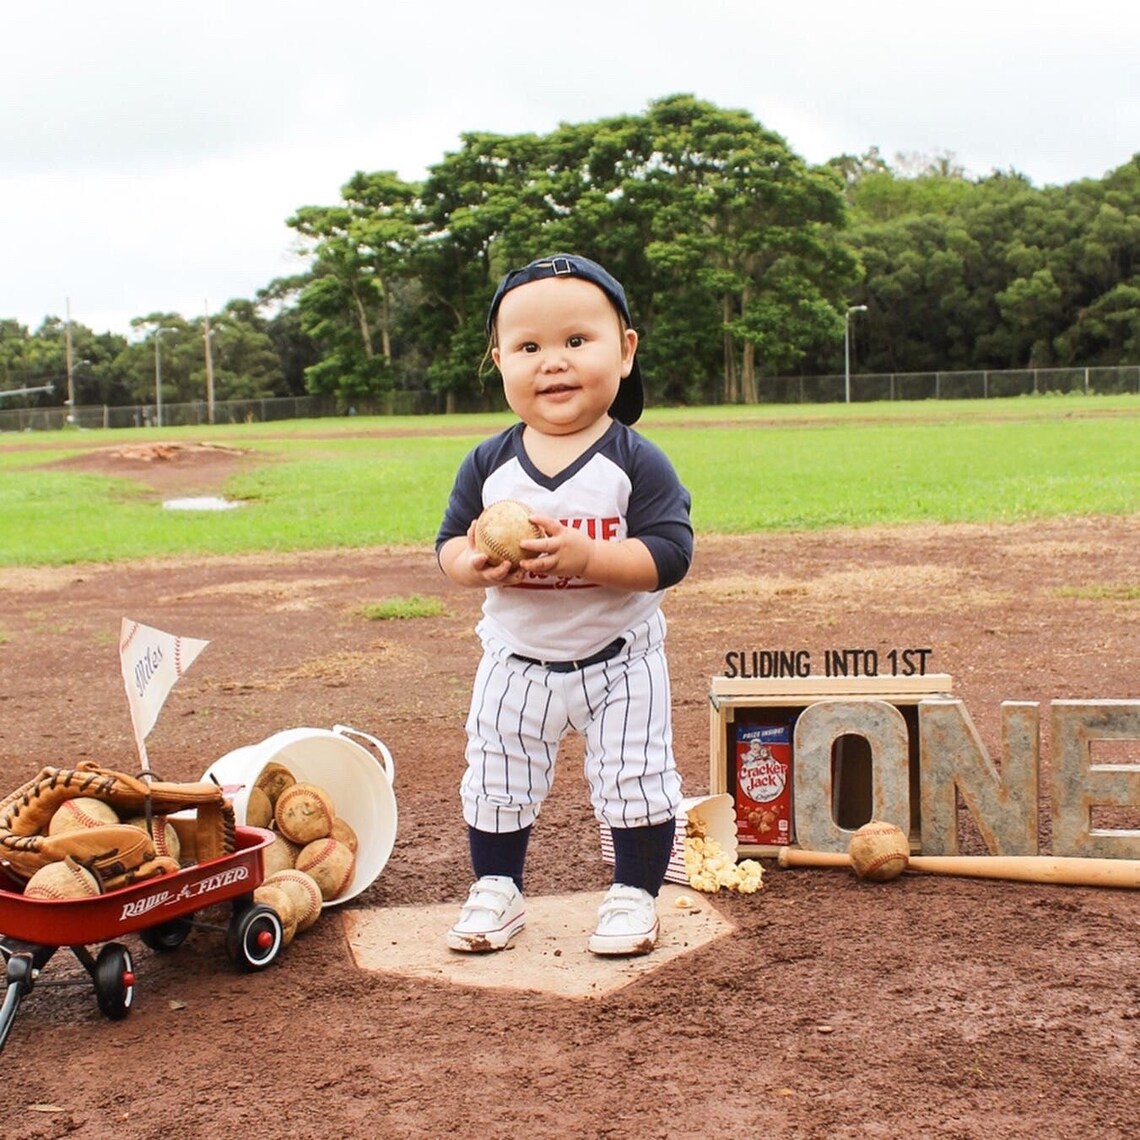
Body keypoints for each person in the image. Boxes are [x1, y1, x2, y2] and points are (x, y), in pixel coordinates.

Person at [435, 253, 693, 957]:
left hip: (621, 660)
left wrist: (589, 558)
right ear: (498, 361)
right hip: (516, 661)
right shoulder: (489, 464)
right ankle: (497, 889)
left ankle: (635, 896)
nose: (554, 362)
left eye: (577, 341)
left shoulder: (636, 461)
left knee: (636, 779)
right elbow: (447, 545)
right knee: (495, 774)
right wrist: (472, 565)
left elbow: (670, 554)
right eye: (528, 347)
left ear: (626, 349)